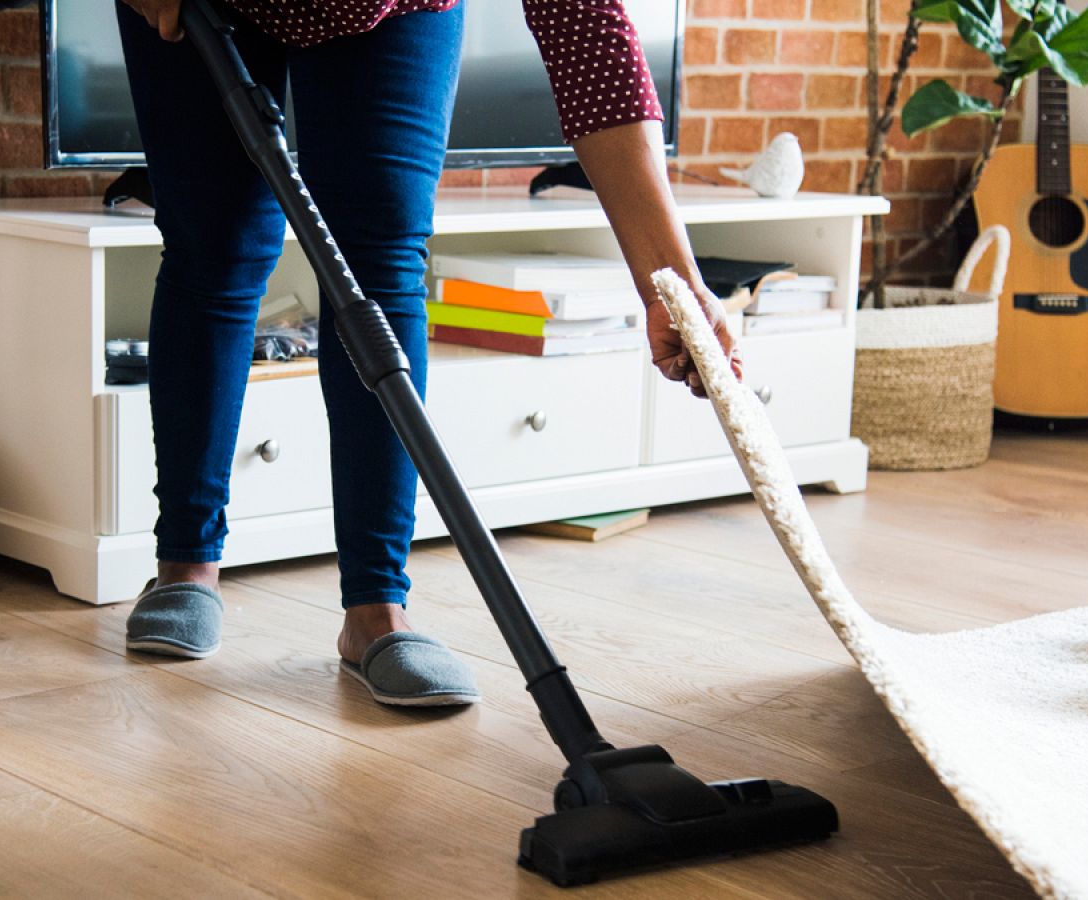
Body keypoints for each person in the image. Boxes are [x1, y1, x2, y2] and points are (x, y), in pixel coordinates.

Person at [116, 0, 742, 706]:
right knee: (216, 247)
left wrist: (672, 284)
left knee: (376, 268)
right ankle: (186, 566)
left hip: (393, 11)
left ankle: (377, 609)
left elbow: (591, 42)